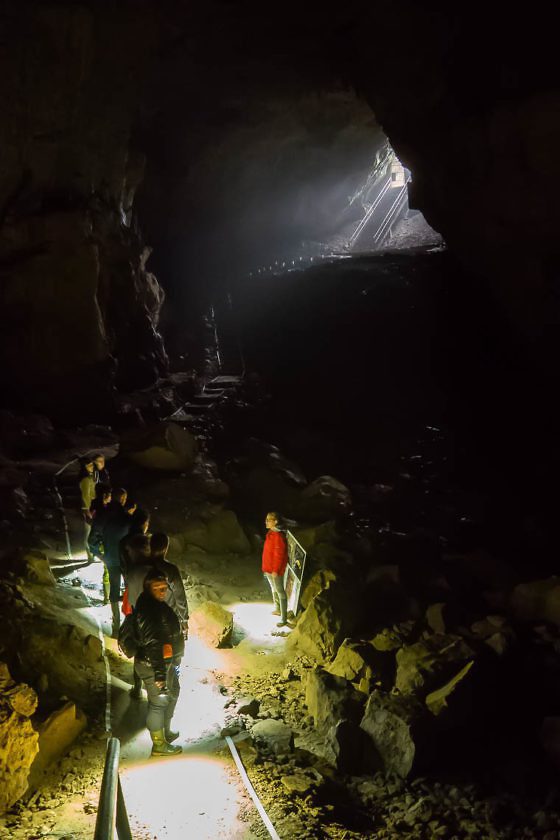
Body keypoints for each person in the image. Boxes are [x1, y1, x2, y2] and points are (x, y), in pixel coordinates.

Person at [133, 569, 184, 756]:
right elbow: (154, 642)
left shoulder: (154, 603)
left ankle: (166, 732)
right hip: (153, 665)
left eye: (164, 588)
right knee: (158, 703)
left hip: (165, 663)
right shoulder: (149, 610)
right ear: (148, 589)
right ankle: (159, 746)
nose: (162, 592)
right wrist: (160, 675)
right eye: (157, 589)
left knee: (173, 693)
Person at [102, 494, 136, 637]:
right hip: (125, 561)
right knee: (131, 591)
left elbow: (97, 538)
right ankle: (130, 626)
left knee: (114, 591)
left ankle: (116, 627)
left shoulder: (107, 521)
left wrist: (101, 555)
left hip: (111, 560)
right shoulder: (128, 522)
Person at [262, 511, 290, 627]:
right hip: (268, 568)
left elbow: (279, 555)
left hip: (275, 570)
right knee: (274, 588)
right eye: (266, 519)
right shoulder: (271, 533)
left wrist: (275, 570)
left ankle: (284, 619)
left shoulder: (278, 536)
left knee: (280, 592)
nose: (266, 521)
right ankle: (277, 609)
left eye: (269, 520)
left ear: (276, 522)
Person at [78, 458, 96, 561]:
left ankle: (91, 554)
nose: (92, 467)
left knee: (90, 532)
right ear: (84, 467)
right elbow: (85, 496)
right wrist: (87, 510)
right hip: (89, 509)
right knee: (88, 533)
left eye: (92, 465)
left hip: (91, 508)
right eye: (89, 466)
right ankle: (90, 555)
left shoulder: (90, 477)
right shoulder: (85, 479)